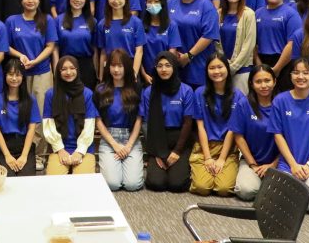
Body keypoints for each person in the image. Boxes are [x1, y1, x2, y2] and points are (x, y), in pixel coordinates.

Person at [268, 58, 309, 214]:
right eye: (296, 72)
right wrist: (293, 165)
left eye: (306, 73)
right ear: (290, 76)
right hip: (288, 165)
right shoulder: (280, 101)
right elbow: (278, 135)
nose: (301, 77)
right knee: (280, 204)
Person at [5, 0, 57, 160]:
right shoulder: (12, 21)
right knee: (20, 113)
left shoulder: (47, 20)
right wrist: (20, 56)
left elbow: (50, 46)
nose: (30, 1)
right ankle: (20, 152)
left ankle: (39, 154)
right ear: (21, 0)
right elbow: (5, 46)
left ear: (39, 0)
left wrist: (35, 61)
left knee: (41, 113)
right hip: (18, 74)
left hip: (42, 72)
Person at [190, 54, 244, 197]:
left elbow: (232, 130)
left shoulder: (238, 95)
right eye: (212, 68)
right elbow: (200, 127)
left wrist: (221, 159)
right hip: (204, 147)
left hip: (227, 148)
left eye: (220, 67)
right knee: (202, 188)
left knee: (223, 189)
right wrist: (208, 157)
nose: (216, 71)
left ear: (227, 69)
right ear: (207, 71)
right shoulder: (199, 93)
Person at [142, 52, 195, 191]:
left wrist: (177, 151)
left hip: (180, 140)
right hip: (157, 139)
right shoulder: (149, 92)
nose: (163, 69)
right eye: (159, 66)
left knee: (176, 184)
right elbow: (147, 124)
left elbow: (188, 123)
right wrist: (157, 153)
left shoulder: (186, 90)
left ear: (174, 67)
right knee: (156, 183)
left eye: (167, 65)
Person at [231, 65, 282, 201]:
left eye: (267, 80)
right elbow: (238, 136)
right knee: (246, 191)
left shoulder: (283, 104)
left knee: (280, 194)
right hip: (251, 161)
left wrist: (273, 165)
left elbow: (290, 140)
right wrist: (253, 164)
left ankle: (266, 186)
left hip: (279, 162)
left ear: (274, 81)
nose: (263, 85)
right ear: (251, 84)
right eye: (258, 82)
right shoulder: (243, 104)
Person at [95, 50, 144, 191]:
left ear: (126, 67)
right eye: (113, 65)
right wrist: (114, 145)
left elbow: (139, 119)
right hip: (109, 139)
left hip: (131, 139)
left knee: (132, 185)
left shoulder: (136, 88)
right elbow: (98, 120)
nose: (116, 70)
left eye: (120, 66)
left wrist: (128, 146)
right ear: (108, 67)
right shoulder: (100, 89)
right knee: (112, 184)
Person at [43, 56, 99, 175]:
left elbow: (89, 125)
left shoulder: (87, 94)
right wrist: (60, 149)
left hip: (85, 148)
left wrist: (80, 151)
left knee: (82, 180)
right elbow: (49, 124)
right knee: (54, 181)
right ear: (58, 72)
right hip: (59, 148)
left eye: (72, 68)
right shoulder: (50, 94)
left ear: (77, 70)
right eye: (64, 69)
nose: (68, 72)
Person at [168, 0, 220, 88]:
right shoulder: (169, 4)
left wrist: (188, 56)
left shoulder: (206, 6)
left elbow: (209, 35)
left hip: (198, 66)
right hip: (173, 65)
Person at [0, 59, 41, 176]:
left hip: (24, 145)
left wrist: (24, 156)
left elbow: (31, 129)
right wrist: (7, 156)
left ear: (23, 77)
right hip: (3, 147)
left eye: (18, 75)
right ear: (5, 76)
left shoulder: (30, 100)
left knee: (26, 178)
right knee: (8, 178)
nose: (14, 78)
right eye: (10, 74)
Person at [96, 0, 144, 78]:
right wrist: (101, 77)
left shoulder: (136, 22)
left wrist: (134, 74)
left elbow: (139, 51)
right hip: (110, 69)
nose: (116, 1)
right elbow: (103, 52)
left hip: (130, 68)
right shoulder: (102, 24)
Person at [55, 0, 98, 88]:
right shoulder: (58, 20)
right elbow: (55, 48)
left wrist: (96, 72)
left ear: (86, 0)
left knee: (86, 96)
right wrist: (56, 70)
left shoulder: (92, 21)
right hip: (65, 66)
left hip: (86, 67)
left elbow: (95, 50)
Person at [254, 0, 303, 68]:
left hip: (284, 62)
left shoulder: (291, 14)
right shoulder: (257, 13)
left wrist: (277, 69)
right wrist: (260, 66)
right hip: (261, 62)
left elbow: (292, 44)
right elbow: (253, 44)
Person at [219, 0, 256, 93]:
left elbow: (249, 44)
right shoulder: (218, 13)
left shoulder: (248, 14)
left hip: (242, 70)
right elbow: (216, 43)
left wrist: (232, 67)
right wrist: (224, 66)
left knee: (240, 102)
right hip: (221, 70)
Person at [140, 0, 183, 86]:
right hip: (145, 76)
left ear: (162, 3)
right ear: (145, 3)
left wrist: (163, 70)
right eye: (150, 1)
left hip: (165, 74)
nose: (153, 4)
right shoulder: (140, 25)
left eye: (156, 1)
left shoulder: (171, 25)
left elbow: (172, 53)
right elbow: (137, 52)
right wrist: (144, 74)